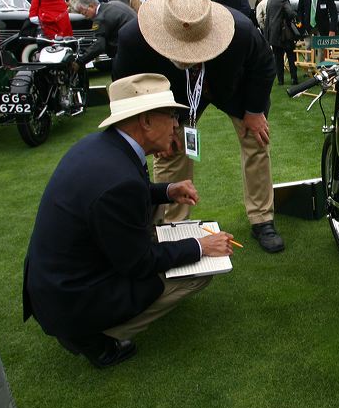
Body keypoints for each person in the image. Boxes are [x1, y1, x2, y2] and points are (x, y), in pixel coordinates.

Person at [22, 73, 234, 368]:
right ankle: (99, 336)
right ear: (145, 121)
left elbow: (127, 193)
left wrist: (167, 190)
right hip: (74, 299)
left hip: (59, 283)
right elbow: (140, 263)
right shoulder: (119, 182)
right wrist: (200, 246)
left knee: (158, 217)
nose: (176, 125)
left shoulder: (101, 146)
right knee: (199, 273)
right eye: (170, 115)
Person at [113, 0, 284, 253]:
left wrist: (254, 111)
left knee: (257, 140)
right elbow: (125, 89)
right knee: (169, 152)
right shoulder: (134, 38)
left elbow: (264, 65)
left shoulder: (241, 30)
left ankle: (262, 219)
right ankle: (173, 225)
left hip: (233, 89)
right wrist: (156, 131)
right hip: (173, 96)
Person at [71, 0, 137, 65]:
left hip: (127, 51)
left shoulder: (100, 19)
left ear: (91, 6)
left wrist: (80, 61)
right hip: (138, 39)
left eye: (84, 13)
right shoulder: (114, 4)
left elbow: (99, 46)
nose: (85, 17)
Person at [265, 0, 301, 85]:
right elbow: (290, 13)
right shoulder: (284, 0)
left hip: (273, 34)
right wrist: (296, 16)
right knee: (291, 56)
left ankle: (280, 80)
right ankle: (294, 79)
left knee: (278, 58)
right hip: (284, 35)